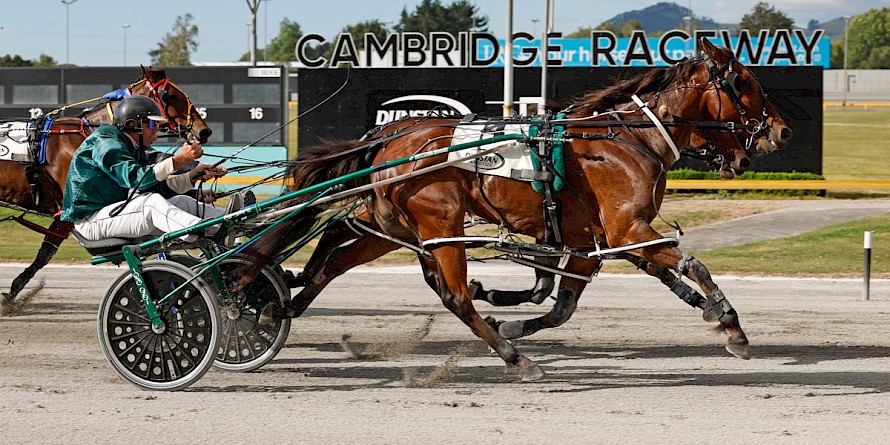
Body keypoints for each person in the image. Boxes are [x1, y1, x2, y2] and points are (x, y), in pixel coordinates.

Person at [61, 95, 231, 242]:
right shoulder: (105, 142)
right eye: (151, 124)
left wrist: (191, 176)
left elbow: (153, 187)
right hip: (91, 220)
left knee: (181, 202)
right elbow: (135, 178)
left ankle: (231, 219)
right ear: (132, 124)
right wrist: (178, 160)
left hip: (114, 214)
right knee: (151, 204)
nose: (156, 131)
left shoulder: (134, 148)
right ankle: (207, 230)